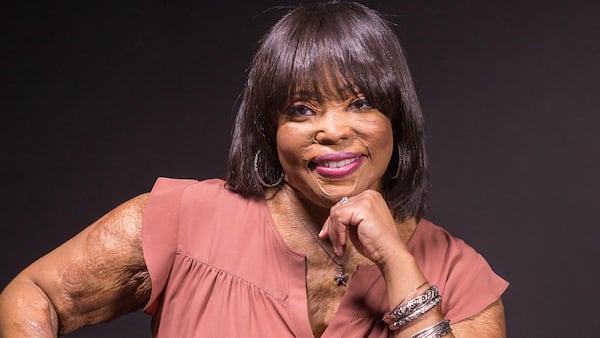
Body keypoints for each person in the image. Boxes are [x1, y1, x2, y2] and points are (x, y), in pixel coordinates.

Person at [0, 2, 509, 337]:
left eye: (359, 104)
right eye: (301, 110)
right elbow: (37, 294)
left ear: (395, 118)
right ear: (269, 129)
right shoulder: (183, 221)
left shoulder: (461, 278)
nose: (332, 130)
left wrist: (397, 263)